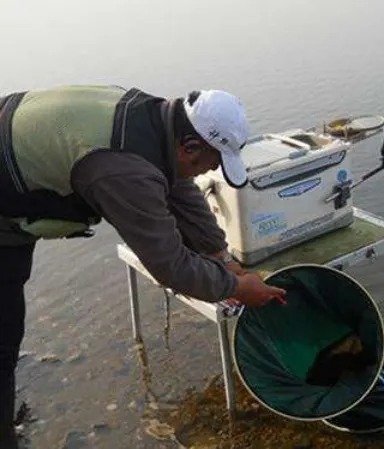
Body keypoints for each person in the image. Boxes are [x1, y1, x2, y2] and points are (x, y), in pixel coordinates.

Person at [0, 85, 286, 447]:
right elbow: (171, 267)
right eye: (210, 163)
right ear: (190, 146)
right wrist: (237, 288)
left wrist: (222, 258)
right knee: (3, 337)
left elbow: (180, 187)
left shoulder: (158, 121)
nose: (210, 171)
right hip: (4, 201)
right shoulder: (122, 170)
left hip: (16, 169)